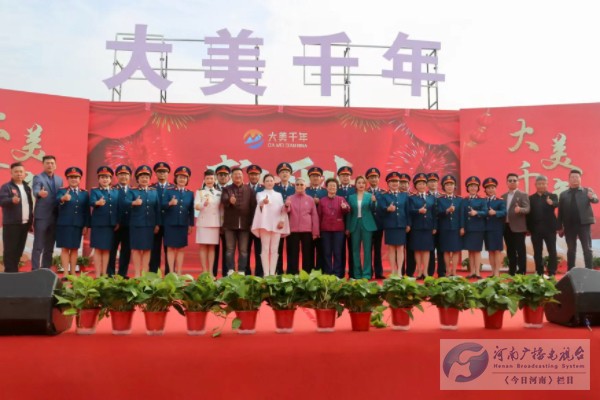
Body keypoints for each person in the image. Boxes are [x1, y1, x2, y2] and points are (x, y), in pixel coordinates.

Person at [558, 169, 598, 270]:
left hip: (583, 225)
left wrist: (591, 197)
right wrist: (559, 226)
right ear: (569, 179)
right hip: (569, 225)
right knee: (571, 249)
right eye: (572, 177)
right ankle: (570, 270)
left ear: (580, 179)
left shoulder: (587, 191)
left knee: (587, 248)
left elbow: (595, 200)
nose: (575, 179)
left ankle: (589, 270)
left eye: (577, 177)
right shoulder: (563, 194)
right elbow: (560, 211)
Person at [251, 174, 290, 276]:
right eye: (267, 181)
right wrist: (264, 201)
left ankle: (272, 273)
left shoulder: (278, 195)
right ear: (263, 183)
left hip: (276, 225)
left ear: (274, 182)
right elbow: (260, 202)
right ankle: (266, 273)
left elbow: (282, 209)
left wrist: (282, 220)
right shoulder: (260, 194)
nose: (269, 182)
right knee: (265, 249)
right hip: (265, 224)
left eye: (271, 180)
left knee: (274, 250)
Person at [221, 167, 257, 275]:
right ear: (231, 177)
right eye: (235, 174)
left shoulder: (249, 190)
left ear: (243, 176)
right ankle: (230, 270)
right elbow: (223, 200)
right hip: (230, 225)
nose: (238, 176)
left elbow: (253, 207)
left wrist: (252, 223)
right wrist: (229, 200)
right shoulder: (227, 189)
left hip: (245, 225)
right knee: (229, 249)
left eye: (240, 174)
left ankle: (242, 271)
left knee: (243, 250)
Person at [127, 165, 161, 277]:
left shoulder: (154, 192)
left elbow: (157, 209)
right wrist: (133, 203)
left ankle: (145, 272)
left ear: (150, 179)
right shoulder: (132, 191)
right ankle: (137, 273)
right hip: (136, 225)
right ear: (138, 179)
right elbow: (124, 204)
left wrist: (157, 224)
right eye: (142, 177)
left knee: (147, 249)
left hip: (149, 225)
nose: (144, 179)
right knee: (136, 249)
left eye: (146, 177)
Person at [55, 167, 90, 277]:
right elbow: (57, 200)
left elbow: (86, 211)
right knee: (65, 248)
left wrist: (86, 225)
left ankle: (73, 272)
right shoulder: (62, 191)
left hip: (78, 225)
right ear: (67, 179)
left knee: (75, 249)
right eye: (71, 177)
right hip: (64, 224)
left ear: (80, 179)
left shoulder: (84, 193)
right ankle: (65, 273)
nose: (74, 179)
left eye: (76, 177)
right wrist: (63, 199)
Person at [0, 162, 33, 273]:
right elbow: (2, 201)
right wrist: (11, 200)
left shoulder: (27, 187)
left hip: (25, 224)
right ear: (11, 173)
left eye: (21, 172)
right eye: (16, 172)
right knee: (10, 251)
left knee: (19, 250)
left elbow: (30, 205)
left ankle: (14, 272)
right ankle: (10, 274)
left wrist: (31, 221)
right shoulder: (7, 187)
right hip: (11, 224)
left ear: (24, 173)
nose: (19, 174)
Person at [32, 155, 63, 271]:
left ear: (55, 165)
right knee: (38, 245)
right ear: (43, 164)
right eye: (47, 163)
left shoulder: (59, 180)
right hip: (42, 216)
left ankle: (46, 269)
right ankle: (35, 269)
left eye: (52, 163)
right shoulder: (38, 178)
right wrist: (39, 193)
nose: (50, 165)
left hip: (55, 216)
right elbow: (36, 190)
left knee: (49, 246)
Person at [162, 167, 194, 275]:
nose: (182, 179)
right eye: (180, 177)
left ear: (187, 180)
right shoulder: (169, 191)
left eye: (184, 178)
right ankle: (171, 272)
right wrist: (169, 203)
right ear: (176, 178)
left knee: (180, 248)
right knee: (170, 248)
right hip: (170, 224)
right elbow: (162, 206)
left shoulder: (190, 193)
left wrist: (190, 224)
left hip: (183, 224)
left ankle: (179, 272)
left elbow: (191, 210)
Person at [89, 166, 120, 277]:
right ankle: (97, 274)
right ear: (98, 179)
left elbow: (118, 208)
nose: (105, 179)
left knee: (107, 250)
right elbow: (91, 202)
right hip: (98, 225)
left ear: (111, 179)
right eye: (102, 177)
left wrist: (117, 222)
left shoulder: (115, 192)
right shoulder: (95, 191)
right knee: (98, 249)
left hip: (110, 225)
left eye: (107, 177)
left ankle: (104, 273)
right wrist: (97, 203)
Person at [379, 172, 411, 276]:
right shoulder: (384, 196)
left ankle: (400, 270)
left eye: (396, 181)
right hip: (390, 225)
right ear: (388, 183)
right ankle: (393, 270)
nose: (394, 183)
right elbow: (380, 210)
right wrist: (387, 209)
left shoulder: (404, 195)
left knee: (401, 248)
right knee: (391, 248)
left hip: (401, 225)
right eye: (392, 181)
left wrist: (408, 224)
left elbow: (407, 211)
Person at [286, 177, 320, 274]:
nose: (299, 186)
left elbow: (314, 216)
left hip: (307, 231)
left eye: (302, 184)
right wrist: (286, 205)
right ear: (295, 186)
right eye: (297, 184)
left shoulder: (310, 199)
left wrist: (315, 232)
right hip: (293, 231)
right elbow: (285, 212)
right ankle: (292, 274)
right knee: (292, 253)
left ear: (305, 186)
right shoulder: (290, 198)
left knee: (308, 254)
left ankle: (307, 274)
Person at [346, 175, 377, 279]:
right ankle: (357, 274)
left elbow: (374, 209)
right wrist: (347, 228)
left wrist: (374, 202)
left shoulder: (370, 196)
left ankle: (367, 273)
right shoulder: (351, 197)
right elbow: (349, 213)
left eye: (363, 183)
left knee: (367, 250)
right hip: (355, 224)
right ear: (355, 185)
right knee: (355, 250)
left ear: (365, 184)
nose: (361, 185)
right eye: (359, 183)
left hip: (367, 225)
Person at [526, 175, 559, 275]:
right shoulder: (530, 198)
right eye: (539, 184)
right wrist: (528, 228)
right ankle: (539, 271)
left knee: (552, 251)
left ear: (547, 184)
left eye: (543, 183)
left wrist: (551, 203)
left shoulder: (552, 196)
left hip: (550, 229)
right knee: (537, 252)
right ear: (535, 185)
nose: (541, 185)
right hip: (535, 229)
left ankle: (552, 271)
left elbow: (557, 204)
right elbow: (528, 215)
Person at [318, 178, 350, 277]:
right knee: (326, 252)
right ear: (326, 188)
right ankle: (327, 273)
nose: (332, 187)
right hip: (325, 230)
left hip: (338, 230)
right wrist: (318, 230)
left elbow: (347, 210)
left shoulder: (341, 199)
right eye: (330, 185)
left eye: (334, 186)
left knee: (337, 252)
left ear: (337, 188)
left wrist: (345, 207)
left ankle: (338, 274)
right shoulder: (322, 201)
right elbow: (319, 216)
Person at [408, 173, 437, 280]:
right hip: (416, 227)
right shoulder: (412, 198)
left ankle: (425, 271)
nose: (422, 186)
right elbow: (409, 211)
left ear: (426, 185)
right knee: (417, 249)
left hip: (428, 227)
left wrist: (435, 226)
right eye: (419, 184)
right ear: (415, 186)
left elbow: (434, 213)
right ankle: (419, 271)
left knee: (426, 249)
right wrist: (418, 211)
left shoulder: (431, 198)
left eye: (423, 183)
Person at [501, 173, 531, 275]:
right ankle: (512, 270)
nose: (512, 182)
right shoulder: (503, 196)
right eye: (510, 180)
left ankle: (522, 271)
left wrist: (520, 209)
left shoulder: (523, 195)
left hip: (518, 227)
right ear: (507, 182)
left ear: (518, 182)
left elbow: (527, 209)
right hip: (506, 226)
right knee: (510, 250)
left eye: (514, 180)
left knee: (520, 250)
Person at [195, 169, 222, 276]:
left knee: (211, 247)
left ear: (215, 180)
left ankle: (210, 271)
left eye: (211, 178)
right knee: (203, 247)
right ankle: (204, 271)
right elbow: (196, 206)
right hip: (203, 222)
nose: (209, 180)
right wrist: (203, 204)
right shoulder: (200, 192)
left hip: (214, 223)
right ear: (204, 180)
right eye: (207, 178)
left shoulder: (219, 193)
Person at [107, 165, 132, 277]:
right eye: (121, 174)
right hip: (115, 225)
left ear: (130, 176)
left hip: (129, 225)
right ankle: (110, 273)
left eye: (126, 174)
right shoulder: (112, 189)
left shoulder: (134, 190)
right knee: (112, 249)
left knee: (126, 251)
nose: (123, 177)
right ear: (117, 176)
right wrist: (115, 221)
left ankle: (122, 274)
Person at [150, 162, 174, 274]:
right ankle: (154, 274)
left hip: (169, 222)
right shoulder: (151, 188)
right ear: (156, 173)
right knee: (154, 249)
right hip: (155, 223)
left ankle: (169, 274)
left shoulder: (173, 188)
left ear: (168, 173)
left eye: (164, 172)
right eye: (159, 172)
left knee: (169, 249)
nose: (162, 174)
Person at [437, 175, 463, 277]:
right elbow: (437, 213)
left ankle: (454, 271)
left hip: (456, 228)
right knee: (446, 250)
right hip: (445, 228)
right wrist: (447, 210)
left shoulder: (459, 199)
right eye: (447, 185)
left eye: (451, 184)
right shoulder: (440, 199)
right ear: (444, 187)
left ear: (454, 186)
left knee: (456, 250)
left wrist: (462, 227)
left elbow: (462, 215)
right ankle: (447, 271)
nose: (449, 186)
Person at [462, 176, 486, 279]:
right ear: (467, 188)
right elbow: (462, 215)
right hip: (468, 229)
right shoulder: (464, 200)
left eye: (475, 186)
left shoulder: (481, 200)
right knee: (470, 251)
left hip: (478, 229)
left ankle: (477, 272)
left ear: (478, 188)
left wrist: (477, 212)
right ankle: (471, 271)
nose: (473, 188)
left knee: (477, 251)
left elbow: (485, 212)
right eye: (471, 186)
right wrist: (462, 227)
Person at [482, 178, 507, 277]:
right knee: (490, 250)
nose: (490, 190)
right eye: (488, 188)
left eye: (492, 187)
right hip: (486, 229)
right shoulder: (483, 201)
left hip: (497, 229)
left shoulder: (500, 201)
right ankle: (492, 271)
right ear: (485, 189)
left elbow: (504, 212)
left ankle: (497, 271)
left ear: (495, 189)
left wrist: (495, 212)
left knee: (497, 250)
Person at [274, 162, 295, 274]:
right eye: (282, 172)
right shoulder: (274, 187)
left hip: (292, 222)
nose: (285, 174)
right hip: (277, 222)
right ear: (278, 174)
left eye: (287, 172)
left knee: (292, 248)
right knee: (278, 248)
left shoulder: (295, 188)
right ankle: (279, 271)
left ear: (290, 174)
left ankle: (291, 271)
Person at [366, 167, 386, 279]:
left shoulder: (383, 193)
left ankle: (379, 272)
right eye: (371, 177)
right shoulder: (365, 192)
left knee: (377, 249)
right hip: (368, 225)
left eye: (376, 177)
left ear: (379, 179)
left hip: (379, 225)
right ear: (368, 179)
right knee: (368, 249)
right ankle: (368, 272)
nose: (374, 179)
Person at [306, 166, 327, 270]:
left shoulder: (325, 191)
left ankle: (320, 270)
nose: (315, 178)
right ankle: (309, 270)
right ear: (309, 178)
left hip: (322, 224)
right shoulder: (305, 190)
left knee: (321, 249)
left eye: (317, 176)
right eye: (313, 176)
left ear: (321, 178)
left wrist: (320, 202)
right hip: (308, 225)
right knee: (308, 249)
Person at [336, 166, 355, 278]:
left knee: (353, 249)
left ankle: (353, 273)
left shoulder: (355, 189)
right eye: (343, 175)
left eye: (347, 175)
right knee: (340, 250)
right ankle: (340, 273)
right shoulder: (336, 189)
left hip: (353, 223)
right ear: (339, 177)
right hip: (339, 223)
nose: (345, 177)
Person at [246, 164, 265, 276]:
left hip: (260, 225)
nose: (254, 176)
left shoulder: (264, 189)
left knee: (259, 250)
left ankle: (259, 273)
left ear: (259, 176)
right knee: (245, 250)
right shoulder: (243, 188)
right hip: (246, 224)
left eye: (256, 174)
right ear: (248, 175)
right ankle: (246, 273)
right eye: (251, 174)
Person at [213, 164, 231, 277]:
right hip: (214, 223)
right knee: (213, 250)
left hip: (228, 224)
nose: (223, 177)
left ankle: (226, 275)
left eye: (225, 175)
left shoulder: (232, 189)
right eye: (220, 175)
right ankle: (213, 274)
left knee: (228, 250)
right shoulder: (211, 188)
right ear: (216, 176)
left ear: (229, 176)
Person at [427, 173, 446, 278]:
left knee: (441, 250)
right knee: (430, 249)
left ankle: (441, 272)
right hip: (429, 227)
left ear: (437, 183)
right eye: (430, 181)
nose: (433, 183)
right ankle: (430, 272)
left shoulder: (442, 196)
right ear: (427, 183)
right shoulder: (424, 196)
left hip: (442, 226)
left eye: (434, 181)